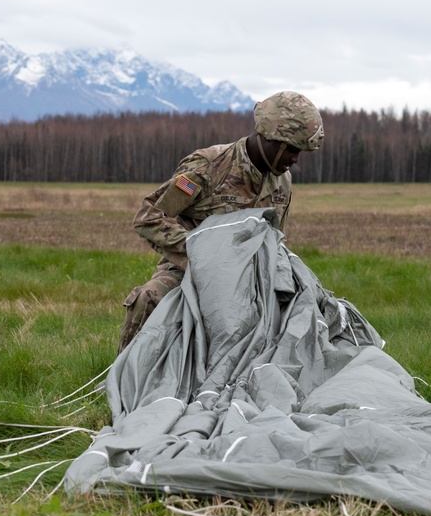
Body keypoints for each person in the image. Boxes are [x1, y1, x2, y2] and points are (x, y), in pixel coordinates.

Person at [119, 91, 324, 351]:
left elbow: (275, 240)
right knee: (149, 299)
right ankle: (124, 377)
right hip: (190, 272)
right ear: (269, 139)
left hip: (251, 281)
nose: (295, 160)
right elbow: (149, 216)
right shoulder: (208, 166)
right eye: (292, 150)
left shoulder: (282, 180)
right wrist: (204, 250)